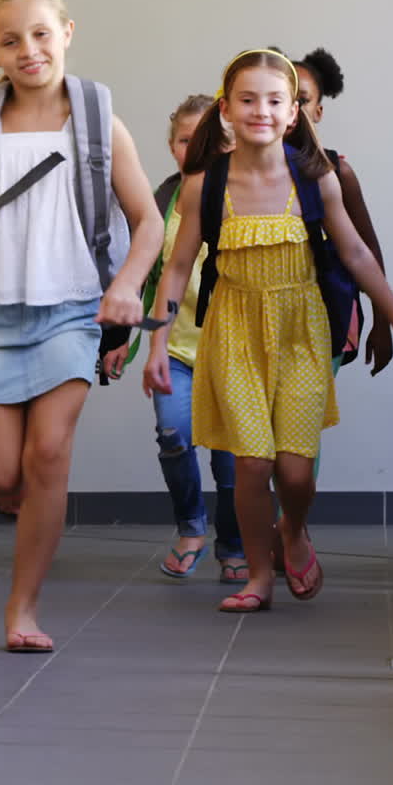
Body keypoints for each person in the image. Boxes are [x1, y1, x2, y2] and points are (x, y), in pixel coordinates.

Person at [0, 0, 163, 652]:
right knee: (2, 476)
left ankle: (22, 610)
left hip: (71, 312)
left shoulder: (99, 121)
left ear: (66, 33)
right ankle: (18, 523)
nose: (30, 50)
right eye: (11, 39)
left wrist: (128, 285)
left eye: (42, 33)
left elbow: (148, 222)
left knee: (49, 451)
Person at [144, 48, 393, 615]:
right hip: (233, 334)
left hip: (302, 332)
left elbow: (354, 251)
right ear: (226, 109)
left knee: (295, 471)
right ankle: (257, 577)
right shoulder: (206, 184)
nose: (261, 111)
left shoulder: (314, 177)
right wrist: (157, 341)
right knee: (252, 463)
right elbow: (177, 267)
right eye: (248, 100)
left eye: (275, 101)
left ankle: (294, 530)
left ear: (294, 113)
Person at [109, 95, 246, 584]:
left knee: (231, 459)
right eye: (187, 140)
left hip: (234, 352)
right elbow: (150, 276)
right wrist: (130, 339)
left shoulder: (246, 195)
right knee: (173, 434)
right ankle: (191, 530)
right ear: (172, 147)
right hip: (179, 348)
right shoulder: (163, 202)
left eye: (213, 138)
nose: (201, 147)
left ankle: (235, 544)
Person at [292, 47, 392, 375]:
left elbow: (367, 251)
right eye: (280, 97)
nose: (292, 108)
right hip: (261, 323)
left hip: (327, 320)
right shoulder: (243, 176)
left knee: (299, 424)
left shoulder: (338, 174)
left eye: (302, 100)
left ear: (318, 110)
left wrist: (383, 322)